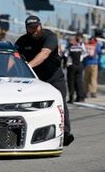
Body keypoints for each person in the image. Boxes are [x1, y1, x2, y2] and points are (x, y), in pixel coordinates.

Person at [15, 15, 74, 146]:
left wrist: (27, 67)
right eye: (31, 28)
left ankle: (65, 133)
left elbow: (44, 54)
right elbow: (13, 58)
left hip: (54, 76)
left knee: (60, 103)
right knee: (29, 105)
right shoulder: (22, 41)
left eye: (36, 27)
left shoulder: (49, 36)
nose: (35, 30)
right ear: (26, 29)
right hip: (35, 79)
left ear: (40, 25)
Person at [63, 33, 87, 103]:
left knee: (71, 82)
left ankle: (71, 98)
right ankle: (80, 97)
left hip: (72, 66)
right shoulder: (80, 46)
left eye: (70, 40)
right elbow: (85, 53)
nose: (69, 41)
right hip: (79, 65)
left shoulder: (69, 47)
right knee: (79, 82)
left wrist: (66, 63)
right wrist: (80, 59)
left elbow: (65, 55)